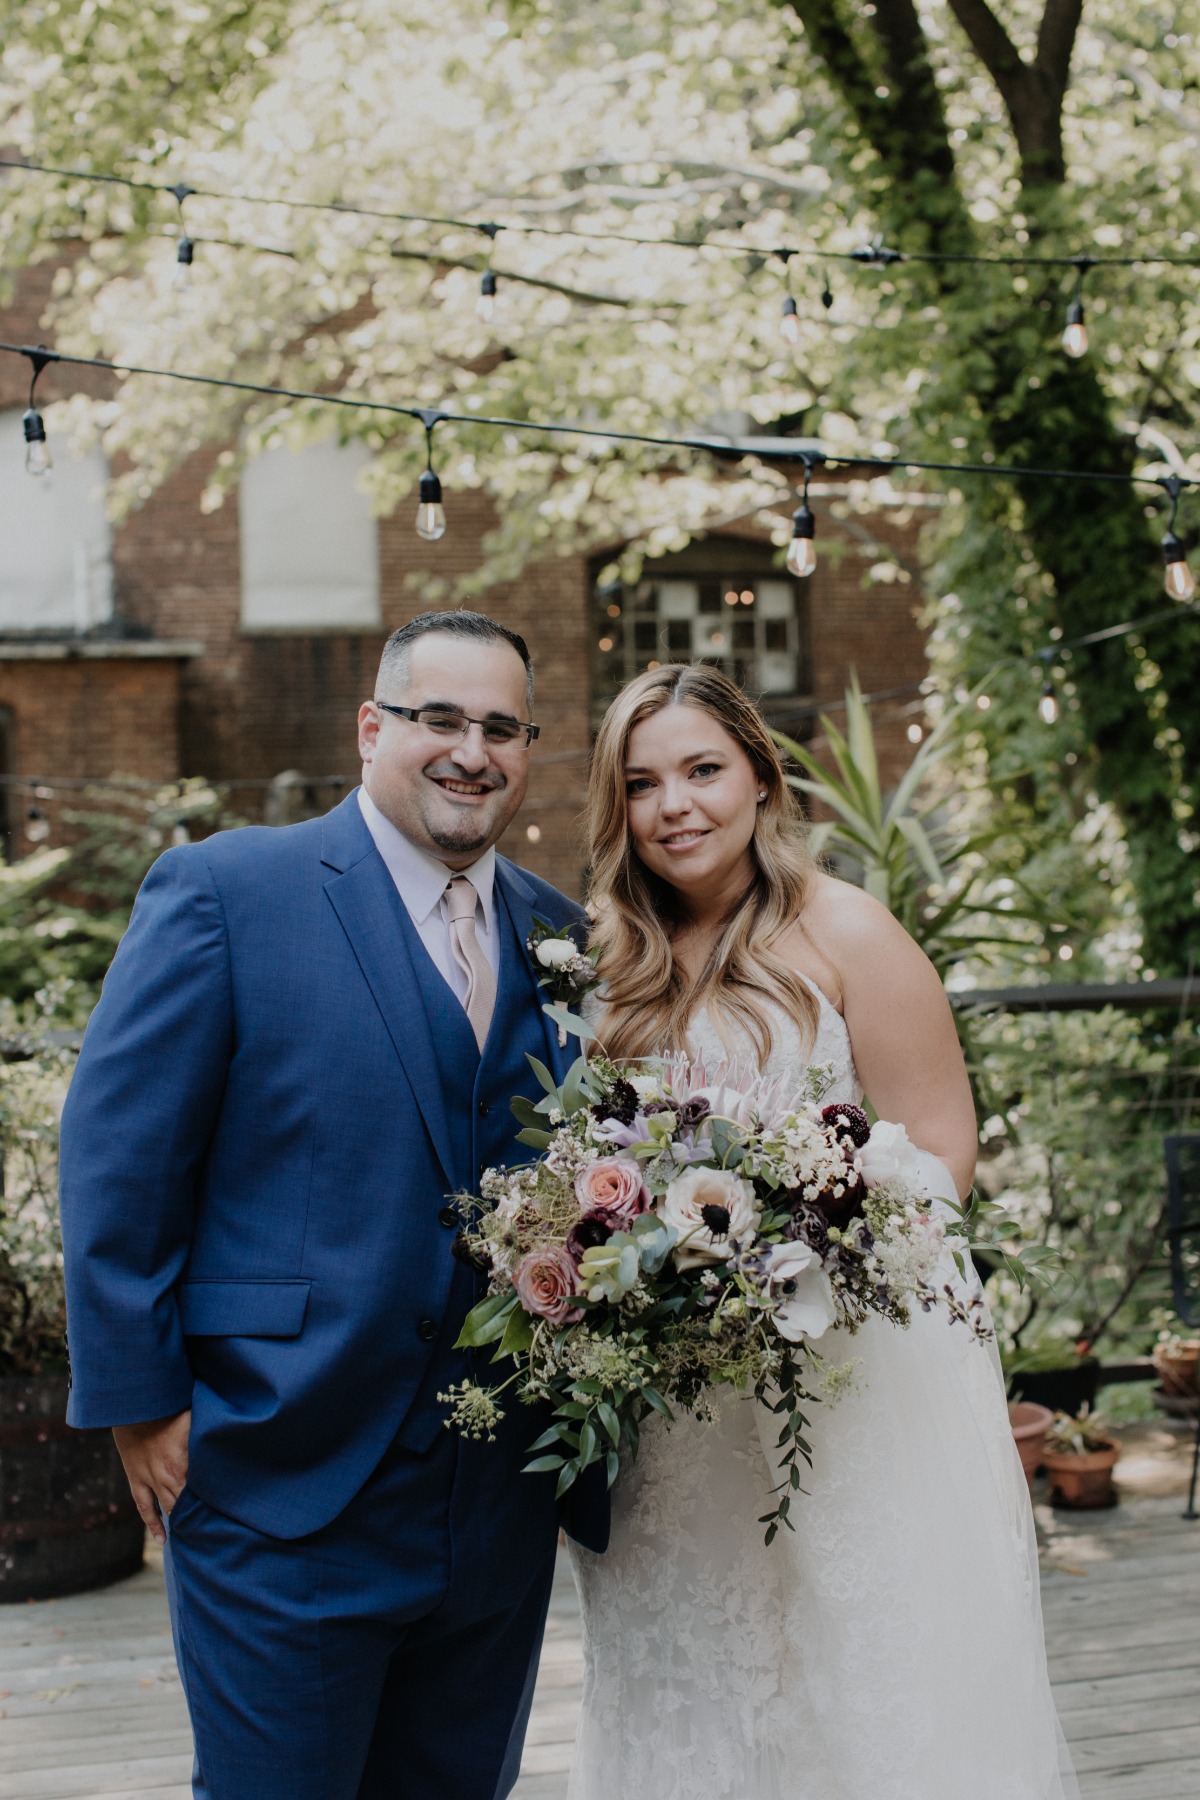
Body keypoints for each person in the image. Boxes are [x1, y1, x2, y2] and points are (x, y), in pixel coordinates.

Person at [58, 609, 607, 1800]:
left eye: (503, 729)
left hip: (494, 1499)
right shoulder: (225, 892)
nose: (473, 750)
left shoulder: (563, 937)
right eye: (440, 718)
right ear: (373, 728)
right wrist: (140, 1407)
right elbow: (118, 1162)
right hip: (278, 1479)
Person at [567, 662, 1078, 1800]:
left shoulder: (848, 929)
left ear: (759, 774)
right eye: (643, 784)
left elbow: (940, 1148)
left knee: (853, 1668)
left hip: (838, 1375)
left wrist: (805, 1240)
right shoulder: (606, 962)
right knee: (689, 1671)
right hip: (673, 1408)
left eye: (703, 770)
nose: (675, 807)